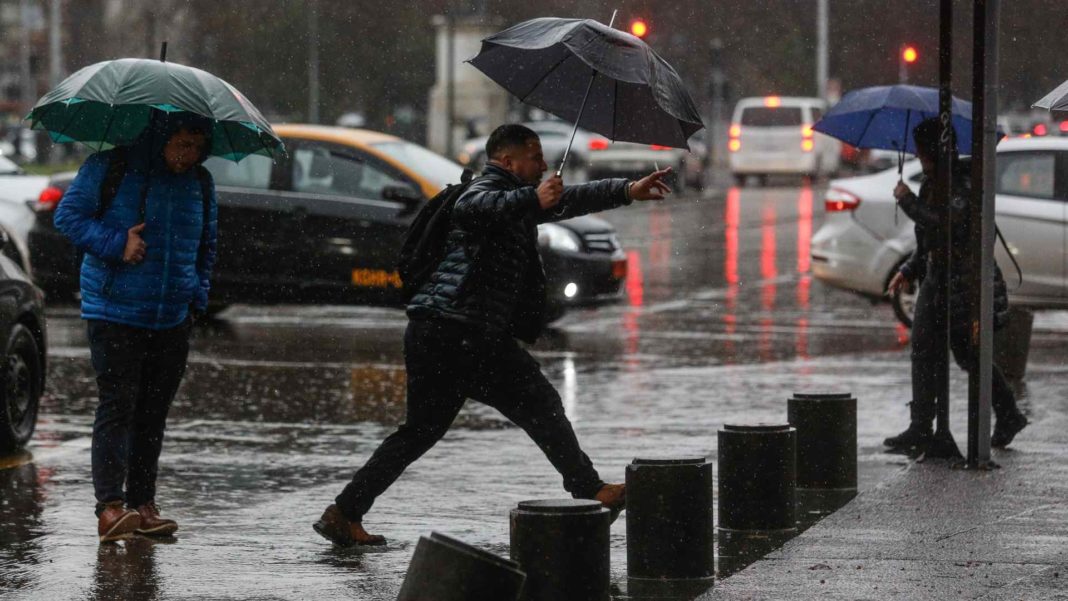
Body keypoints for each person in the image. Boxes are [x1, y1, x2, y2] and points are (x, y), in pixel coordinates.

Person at [315, 124, 673, 546]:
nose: (542, 165)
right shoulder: (487, 190)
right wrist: (529, 197)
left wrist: (627, 189)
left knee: (419, 432)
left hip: (440, 331)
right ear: (507, 161)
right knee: (539, 402)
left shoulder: (517, 200)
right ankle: (590, 488)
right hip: (463, 333)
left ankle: (344, 512)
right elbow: (473, 207)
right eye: (534, 156)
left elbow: (570, 200)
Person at [54, 112, 218, 543]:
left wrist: (195, 298)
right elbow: (68, 217)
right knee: (118, 406)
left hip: (172, 316)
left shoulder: (200, 182)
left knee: (153, 413)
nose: (188, 156)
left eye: (197, 148)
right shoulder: (112, 166)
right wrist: (116, 242)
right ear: (162, 137)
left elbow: (207, 245)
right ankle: (110, 509)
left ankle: (143, 505)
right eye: (181, 145)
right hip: (114, 309)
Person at [885, 117, 1027, 452]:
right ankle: (921, 426)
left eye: (922, 152)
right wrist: (908, 269)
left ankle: (1007, 414)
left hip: (964, 284)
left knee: (970, 354)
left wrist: (907, 201)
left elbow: (946, 224)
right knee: (923, 348)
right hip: (936, 280)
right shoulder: (932, 182)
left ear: (934, 150)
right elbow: (929, 240)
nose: (919, 158)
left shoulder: (960, 182)